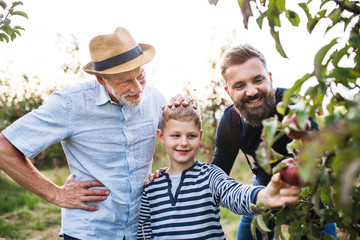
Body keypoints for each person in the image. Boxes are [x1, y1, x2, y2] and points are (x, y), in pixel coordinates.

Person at [0, 26, 193, 240]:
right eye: (125, 81)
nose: (138, 88)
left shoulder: (155, 98)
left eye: (141, 76)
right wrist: (55, 193)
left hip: (141, 231)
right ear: (102, 80)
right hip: (90, 231)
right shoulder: (70, 105)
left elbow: (180, 138)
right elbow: (4, 147)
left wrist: (184, 107)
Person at [211, 44, 337, 239]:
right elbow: (216, 175)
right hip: (263, 190)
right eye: (240, 85)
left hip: (306, 195)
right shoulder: (231, 121)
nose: (251, 91)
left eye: (258, 80)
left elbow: (316, 159)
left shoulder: (293, 106)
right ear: (228, 91)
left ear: (269, 78)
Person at [136, 103, 301, 240]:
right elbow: (144, 233)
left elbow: (234, 193)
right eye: (176, 136)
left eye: (191, 136)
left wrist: (263, 196)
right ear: (161, 136)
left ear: (200, 136)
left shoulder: (210, 176)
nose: (184, 142)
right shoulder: (151, 187)